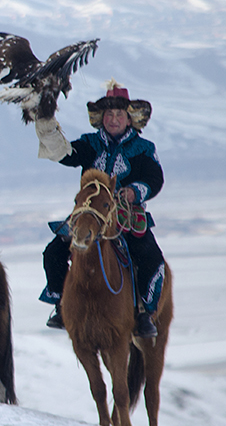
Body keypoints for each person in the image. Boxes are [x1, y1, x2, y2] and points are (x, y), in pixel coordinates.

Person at [33, 81, 165, 337]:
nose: (113, 119)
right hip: (90, 216)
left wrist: (133, 191)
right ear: (101, 118)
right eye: (109, 114)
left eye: (119, 115)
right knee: (53, 252)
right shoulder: (90, 144)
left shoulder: (145, 149)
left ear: (130, 119)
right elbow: (65, 154)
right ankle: (62, 306)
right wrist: (46, 125)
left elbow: (155, 179)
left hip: (125, 217)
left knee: (151, 257)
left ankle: (143, 313)